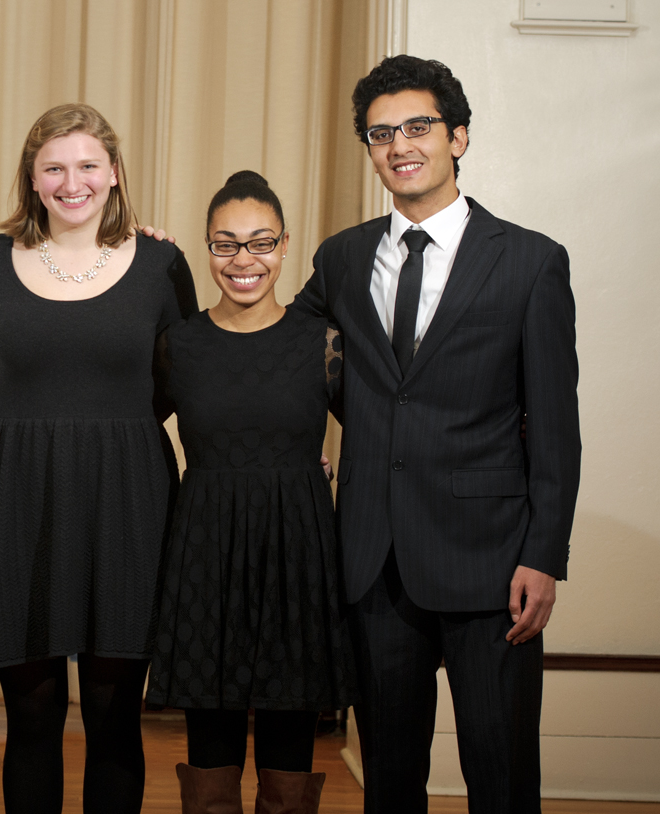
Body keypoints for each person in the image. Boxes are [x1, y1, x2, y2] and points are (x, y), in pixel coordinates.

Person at [290, 55, 581, 813]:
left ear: (458, 137)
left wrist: (543, 555)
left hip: (494, 562)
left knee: (502, 770)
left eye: (417, 127)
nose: (399, 145)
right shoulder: (344, 257)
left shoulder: (529, 262)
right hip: (375, 557)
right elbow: (273, 350)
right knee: (389, 777)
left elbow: (556, 427)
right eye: (380, 133)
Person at [0, 103, 198, 814]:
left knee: (115, 720)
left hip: (129, 505)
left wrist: (94, 426)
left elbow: (188, 381)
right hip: (21, 506)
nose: (73, 182)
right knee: (30, 719)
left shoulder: (162, 262)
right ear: (32, 181)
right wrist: (27, 423)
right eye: (54, 167)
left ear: (115, 174)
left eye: (88, 165)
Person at [146, 171, 355, 814]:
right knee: (211, 738)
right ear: (207, 249)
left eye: (261, 243)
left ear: (286, 246)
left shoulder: (322, 344)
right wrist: (6, 413)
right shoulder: (177, 345)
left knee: (291, 738)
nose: (245, 261)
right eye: (226, 243)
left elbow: (388, 438)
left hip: (298, 551)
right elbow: (125, 428)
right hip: (205, 550)